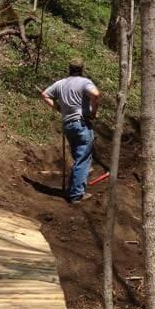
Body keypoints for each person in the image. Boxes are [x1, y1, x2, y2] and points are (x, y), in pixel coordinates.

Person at [41, 60, 101, 203]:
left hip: (68, 125)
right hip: (81, 124)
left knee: (78, 157)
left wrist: (58, 108)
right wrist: (93, 112)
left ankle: (74, 185)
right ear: (81, 69)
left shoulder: (61, 83)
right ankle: (76, 194)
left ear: (69, 69)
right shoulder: (84, 82)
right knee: (83, 159)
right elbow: (96, 94)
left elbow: (44, 94)